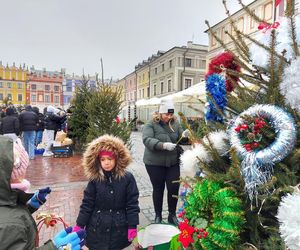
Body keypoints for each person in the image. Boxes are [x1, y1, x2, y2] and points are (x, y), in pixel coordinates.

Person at [0, 135, 86, 249]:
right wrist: (53, 248)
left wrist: (29, 206)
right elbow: (10, 223)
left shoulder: (6, 201)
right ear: (8, 175)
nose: (25, 173)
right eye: (23, 169)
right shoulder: (10, 225)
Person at [74, 134, 140, 250]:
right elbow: (87, 203)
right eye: (103, 159)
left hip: (118, 228)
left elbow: (132, 204)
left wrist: (132, 225)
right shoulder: (95, 179)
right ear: (98, 161)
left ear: (117, 159)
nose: (106, 163)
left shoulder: (127, 178)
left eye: (110, 159)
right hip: (97, 228)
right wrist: (80, 224)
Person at [142, 100, 189, 226]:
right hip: (154, 163)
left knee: (173, 188)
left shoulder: (175, 123)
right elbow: (147, 140)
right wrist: (162, 145)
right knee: (158, 189)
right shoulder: (150, 124)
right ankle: (158, 215)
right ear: (160, 113)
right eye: (166, 114)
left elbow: (181, 138)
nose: (169, 117)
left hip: (172, 162)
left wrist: (185, 136)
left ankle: (172, 215)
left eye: (171, 115)